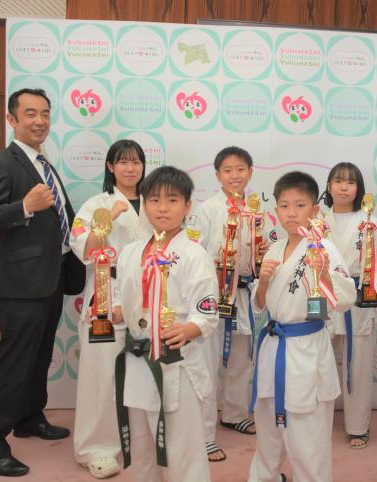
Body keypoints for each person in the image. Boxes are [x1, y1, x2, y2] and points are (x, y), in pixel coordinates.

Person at [0, 88, 85, 476]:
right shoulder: (0, 163)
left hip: (50, 278)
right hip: (20, 284)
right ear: (12, 119)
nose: (39, 120)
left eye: (45, 113)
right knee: (14, 364)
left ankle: (29, 418)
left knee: (39, 357)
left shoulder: (43, 163)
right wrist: (24, 206)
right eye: (30, 113)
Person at [112, 166, 219, 482]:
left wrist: (189, 328)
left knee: (182, 447)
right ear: (144, 204)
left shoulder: (193, 253)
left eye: (172, 200)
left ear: (187, 206)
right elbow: (121, 297)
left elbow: (207, 311)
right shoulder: (132, 252)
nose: (162, 207)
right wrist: (114, 311)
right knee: (143, 445)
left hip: (176, 360)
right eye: (154, 199)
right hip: (138, 359)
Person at [248, 171, 356, 482]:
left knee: (307, 439)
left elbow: (345, 298)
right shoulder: (273, 249)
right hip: (273, 346)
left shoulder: (324, 249)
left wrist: (322, 273)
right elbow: (259, 304)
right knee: (267, 432)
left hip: (306, 350)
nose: (291, 213)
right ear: (276, 210)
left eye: (300, 205)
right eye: (284, 205)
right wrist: (265, 279)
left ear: (314, 209)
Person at [69, 139, 151, 479]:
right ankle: (96, 447)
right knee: (101, 373)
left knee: (146, 371)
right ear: (110, 166)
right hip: (107, 290)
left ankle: (142, 440)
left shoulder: (154, 201)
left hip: (148, 291)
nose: (131, 168)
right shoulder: (97, 204)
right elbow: (82, 249)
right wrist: (106, 221)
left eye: (136, 162)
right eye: (123, 162)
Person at [190, 146, 260, 462]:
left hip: (245, 293)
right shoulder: (207, 210)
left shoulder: (257, 208)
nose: (235, 175)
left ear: (250, 172)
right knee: (207, 364)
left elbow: (265, 249)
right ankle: (203, 433)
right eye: (228, 170)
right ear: (217, 175)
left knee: (242, 359)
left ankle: (233, 413)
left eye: (241, 168)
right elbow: (194, 250)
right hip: (215, 295)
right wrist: (217, 268)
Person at [321, 162, 377, 448]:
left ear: (359, 189)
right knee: (317, 362)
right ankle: (316, 422)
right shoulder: (317, 219)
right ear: (328, 186)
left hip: (359, 299)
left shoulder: (372, 222)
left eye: (350, 182)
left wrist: (372, 275)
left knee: (359, 366)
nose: (343, 187)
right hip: (324, 295)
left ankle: (357, 426)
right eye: (337, 181)